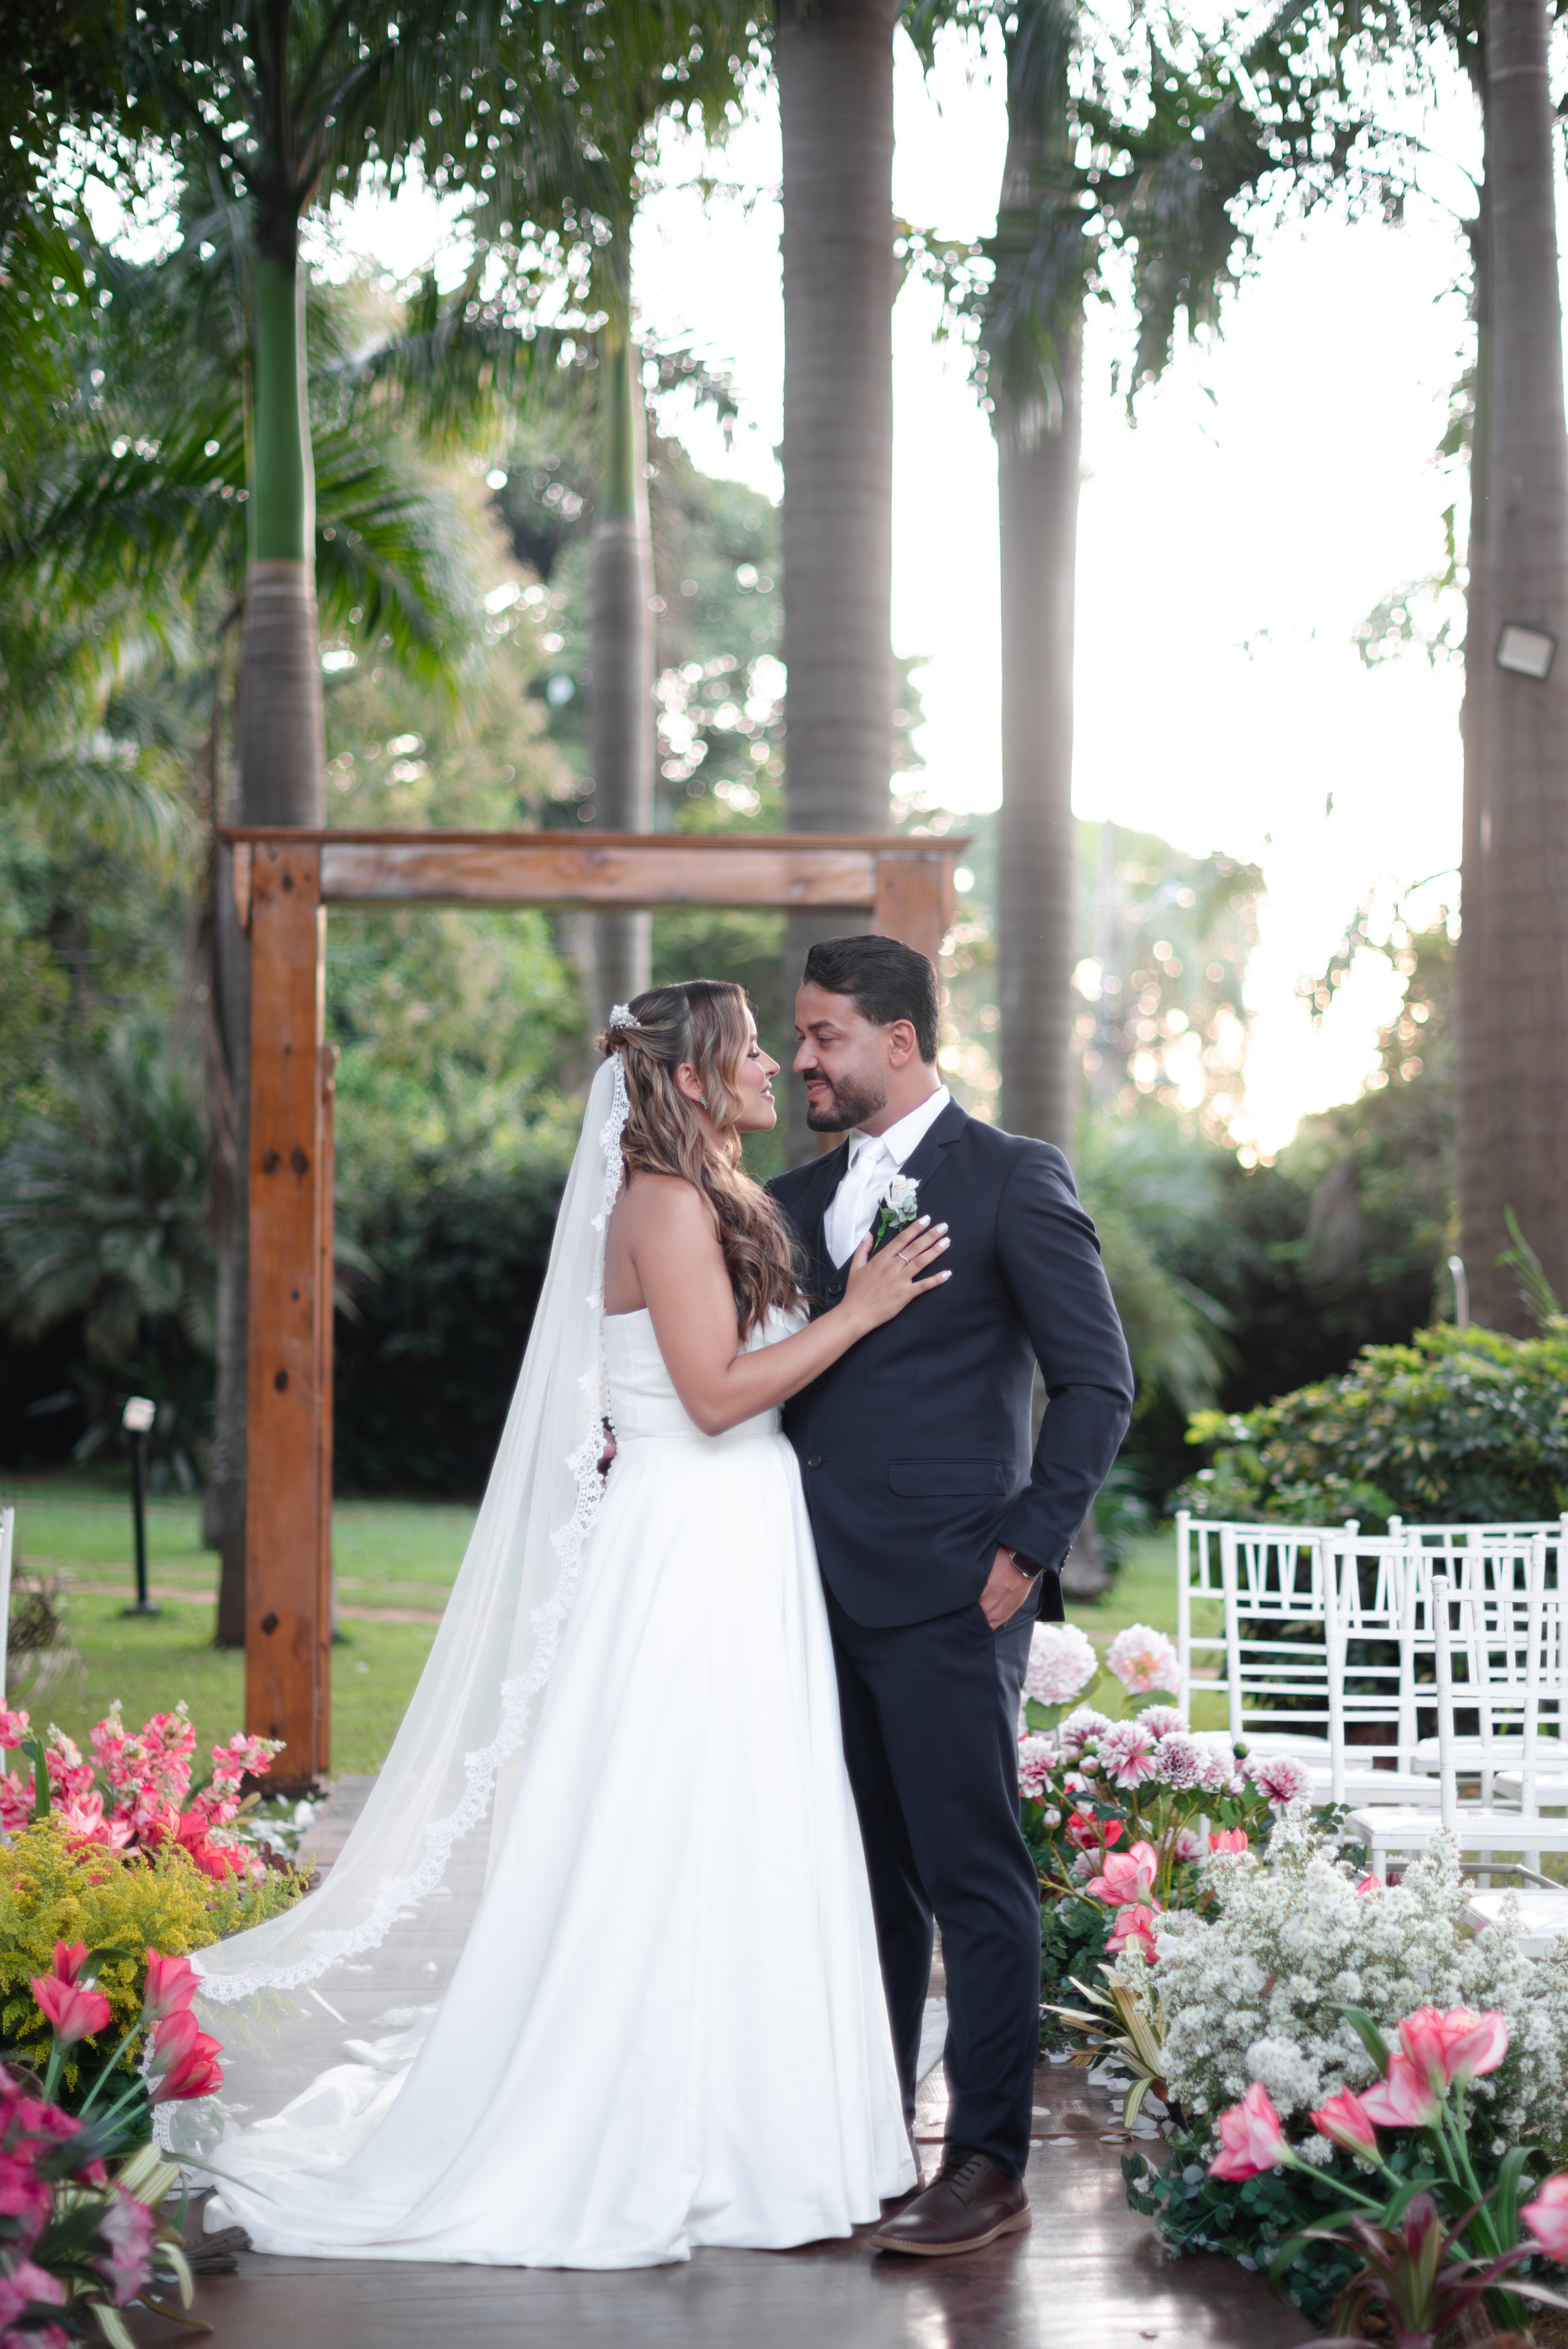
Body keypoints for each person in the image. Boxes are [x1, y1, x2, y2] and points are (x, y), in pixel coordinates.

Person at [172, 980, 952, 2269]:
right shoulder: (663, 1202)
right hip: (691, 1540)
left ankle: (764, 2127)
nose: (774, 1066)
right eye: (750, 1051)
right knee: (679, 1821)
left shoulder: (713, 1193)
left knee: (747, 1820)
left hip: (737, 1534)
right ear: (690, 1078)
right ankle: (671, 2135)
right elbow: (713, 1396)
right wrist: (858, 1312)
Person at [769, 935, 1134, 2258]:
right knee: (861, 1875)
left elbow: (1097, 1383)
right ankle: (869, 2134)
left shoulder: (1010, 1178)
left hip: (951, 1591)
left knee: (973, 1874)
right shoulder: (790, 1197)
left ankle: (986, 2161)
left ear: (900, 1040)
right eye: (798, 1038)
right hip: (802, 1591)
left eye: (823, 1036)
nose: (801, 1061)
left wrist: (1026, 1551)